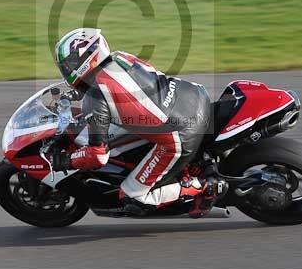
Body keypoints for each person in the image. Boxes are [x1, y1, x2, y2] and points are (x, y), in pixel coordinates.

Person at [51, 27, 225, 217]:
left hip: (181, 133)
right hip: (193, 95)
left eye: (69, 64)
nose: (66, 69)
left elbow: (98, 155)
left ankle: (203, 187)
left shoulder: (95, 98)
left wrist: (65, 160)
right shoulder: (120, 58)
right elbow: (139, 83)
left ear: (85, 60)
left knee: (132, 197)